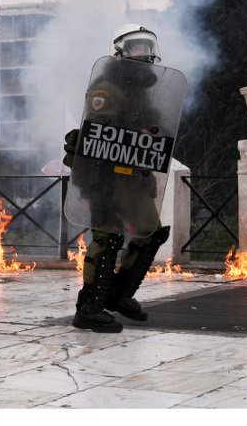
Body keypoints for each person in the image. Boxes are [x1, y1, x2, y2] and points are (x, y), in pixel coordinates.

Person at [65, 24, 174, 333]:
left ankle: (117, 294)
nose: (144, 53)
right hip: (104, 178)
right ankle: (89, 308)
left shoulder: (139, 91)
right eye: (137, 47)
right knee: (107, 238)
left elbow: (151, 126)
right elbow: (99, 131)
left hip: (132, 178)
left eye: (147, 47)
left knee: (151, 232)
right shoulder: (107, 88)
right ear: (121, 51)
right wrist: (131, 134)